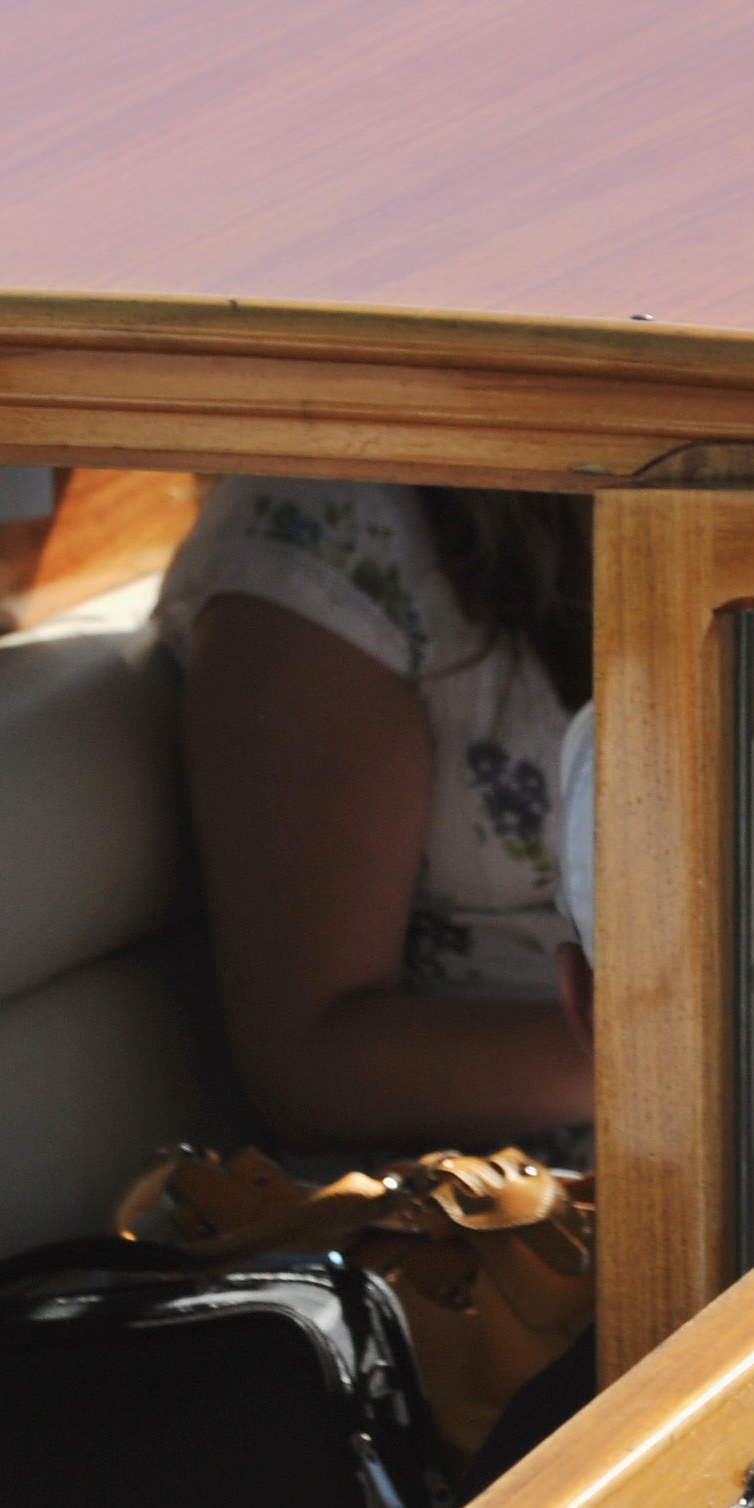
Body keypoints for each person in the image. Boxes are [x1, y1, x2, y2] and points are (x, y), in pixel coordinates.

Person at [164, 481, 595, 1152]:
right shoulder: (326, 548)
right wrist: (708, 1062)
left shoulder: (748, 477)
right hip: (504, 1203)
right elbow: (309, 1070)